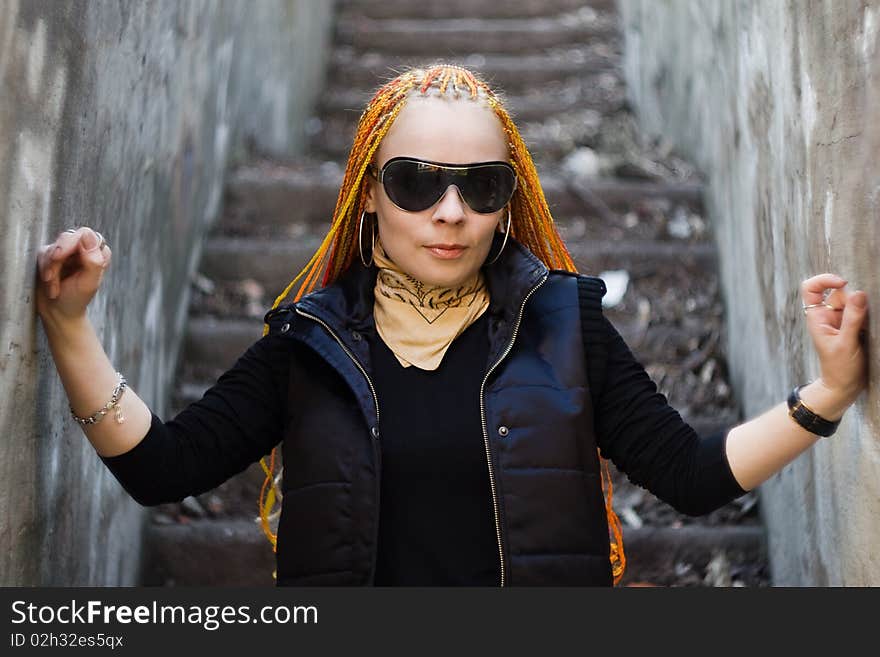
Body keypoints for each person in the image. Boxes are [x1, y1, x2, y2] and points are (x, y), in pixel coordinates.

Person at [35, 64, 870, 587]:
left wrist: (828, 393)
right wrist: (72, 327)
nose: (450, 211)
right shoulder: (309, 344)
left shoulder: (565, 326)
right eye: (416, 182)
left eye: (480, 186)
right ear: (368, 191)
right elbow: (161, 467)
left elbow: (690, 473)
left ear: (507, 201)